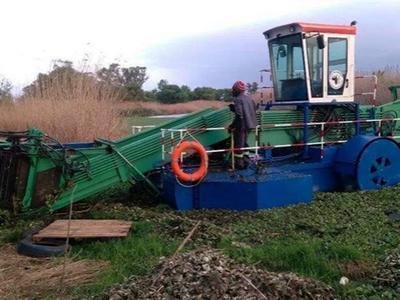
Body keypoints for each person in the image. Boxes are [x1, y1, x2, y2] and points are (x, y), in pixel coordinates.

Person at [228, 80, 257, 169]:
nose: (232, 91)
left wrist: (231, 126)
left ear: (236, 90)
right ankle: (246, 161)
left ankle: (239, 165)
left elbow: (239, 116)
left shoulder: (238, 99)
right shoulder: (249, 98)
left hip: (242, 126)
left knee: (239, 145)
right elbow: (253, 109)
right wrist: (234, 109)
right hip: (250, 125)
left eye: (233, 90)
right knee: (244, 143)